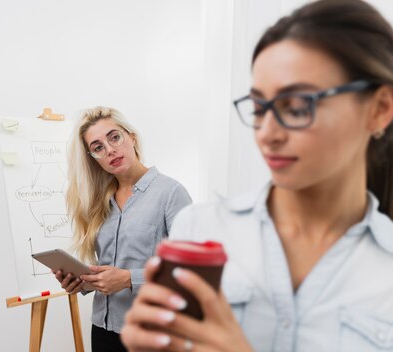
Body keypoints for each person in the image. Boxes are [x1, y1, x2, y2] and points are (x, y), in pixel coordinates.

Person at [120, 1, 393, 351]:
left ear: (380, 109)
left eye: (295, 107)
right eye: (259, 108)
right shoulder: (199, 229)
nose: (266, 133)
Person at [54, 106, 192, 352]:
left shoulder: (171, 193)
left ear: (132, 137)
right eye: (98, 147)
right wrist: (83, 281)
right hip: (103, 330)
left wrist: (129, 279)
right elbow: (107, 270)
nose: (109, 150)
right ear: (93, 158)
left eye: (114, 137)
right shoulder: (99, 202)